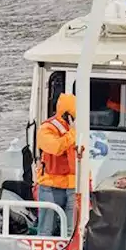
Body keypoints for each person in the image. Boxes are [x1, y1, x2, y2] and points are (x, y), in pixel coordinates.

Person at [36, 93, 78, 237]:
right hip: (51, 186)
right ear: (67, 114)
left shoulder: (77, 129)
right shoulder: (47, 128)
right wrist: (72, 133)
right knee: (46, 231)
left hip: (73, 186)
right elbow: (55, 147)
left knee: (71, 232)